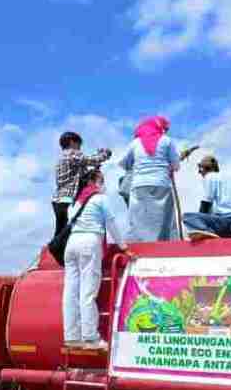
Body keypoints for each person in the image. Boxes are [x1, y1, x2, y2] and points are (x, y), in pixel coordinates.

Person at [62, 169, 127, 350]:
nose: (103, 183)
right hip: (89, 242)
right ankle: (90, 338)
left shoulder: (74, 203)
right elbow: (111, 223)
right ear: (93, 180)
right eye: (101, 179)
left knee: (70, 292)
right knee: (88, 291)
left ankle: (72, 336)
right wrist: (123, 247)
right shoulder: (100, 199)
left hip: (71, 244)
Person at [119, 116, 182, 242]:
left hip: (139, 185)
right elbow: (176, 165)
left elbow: (123, 163)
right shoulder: (167, 141)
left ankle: (139, 246)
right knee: (165, 218)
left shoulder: (135, 143)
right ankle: (165, 246)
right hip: (161, 183)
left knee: (139, 218)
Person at [53, 132, 112, 236]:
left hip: (58, 199)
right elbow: (91, 160)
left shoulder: (61, 157)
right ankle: (58, 250)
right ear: (72, 142)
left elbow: (83, 173)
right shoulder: (71, 153)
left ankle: (54, 250)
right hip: (69, 199)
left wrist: (95, 167)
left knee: (61, 231)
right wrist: (105, 154)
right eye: (79, 144)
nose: (80, 148)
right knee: (69, 232)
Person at [182, 155, 231, 240]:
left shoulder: (210, 177)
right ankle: (211, 232)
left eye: (200, 169)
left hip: (229, 222)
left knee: (188, 217)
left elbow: (206, 203)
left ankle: (208, 232)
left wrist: (200, 223)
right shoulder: (225, 178)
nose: (199, 172)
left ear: (205, 168)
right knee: (209, 219)